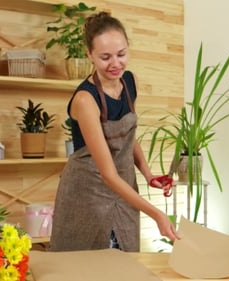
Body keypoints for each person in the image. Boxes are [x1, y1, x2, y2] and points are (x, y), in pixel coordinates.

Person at [49, 11, 180, 252]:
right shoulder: (85, 100)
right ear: (89, 55)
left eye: (121, 54)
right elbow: (107, 174)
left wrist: (148, 174)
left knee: (125, 261)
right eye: (105, 57)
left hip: (124, 188)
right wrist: (157, 214)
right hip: (88, 191)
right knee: (88, 265)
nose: (115, 64)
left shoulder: (130, 82)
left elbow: (128, 135)